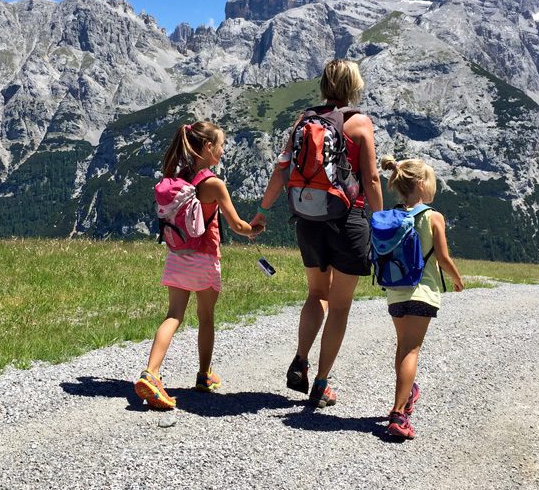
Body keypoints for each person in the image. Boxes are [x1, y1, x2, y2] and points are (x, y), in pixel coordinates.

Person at [251, 59, 382, 408]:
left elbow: (281, 172)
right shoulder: (359, 124)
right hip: (348, 221)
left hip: (308, 219)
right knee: (339, 306)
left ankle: (301, 358)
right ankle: (321, 384)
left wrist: (262, 212)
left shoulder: (303, 121)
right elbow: (370, 180)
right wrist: (382, 223)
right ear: (354, 86)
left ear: (324, 85)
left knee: (316, 294)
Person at [134, 121, 262, 410]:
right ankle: (204, 376)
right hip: (204, 258)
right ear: (207, 147)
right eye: (220, 145)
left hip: (176, 256)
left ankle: (151, 372)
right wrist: (256, 227)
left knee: (173, 315)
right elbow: (239, 226)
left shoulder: (178, 178)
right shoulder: (213, 184)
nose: (222, 150)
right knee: (206, 317)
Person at [378, 155, 464, 440]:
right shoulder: (433, 216)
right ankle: (398, 413)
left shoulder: (392, 216)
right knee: (412, 351)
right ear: (420, 184)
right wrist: (456, 277)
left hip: (394, 292)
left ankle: (407, 391)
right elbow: (442, 256)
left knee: (403, 348)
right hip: (422, 292)